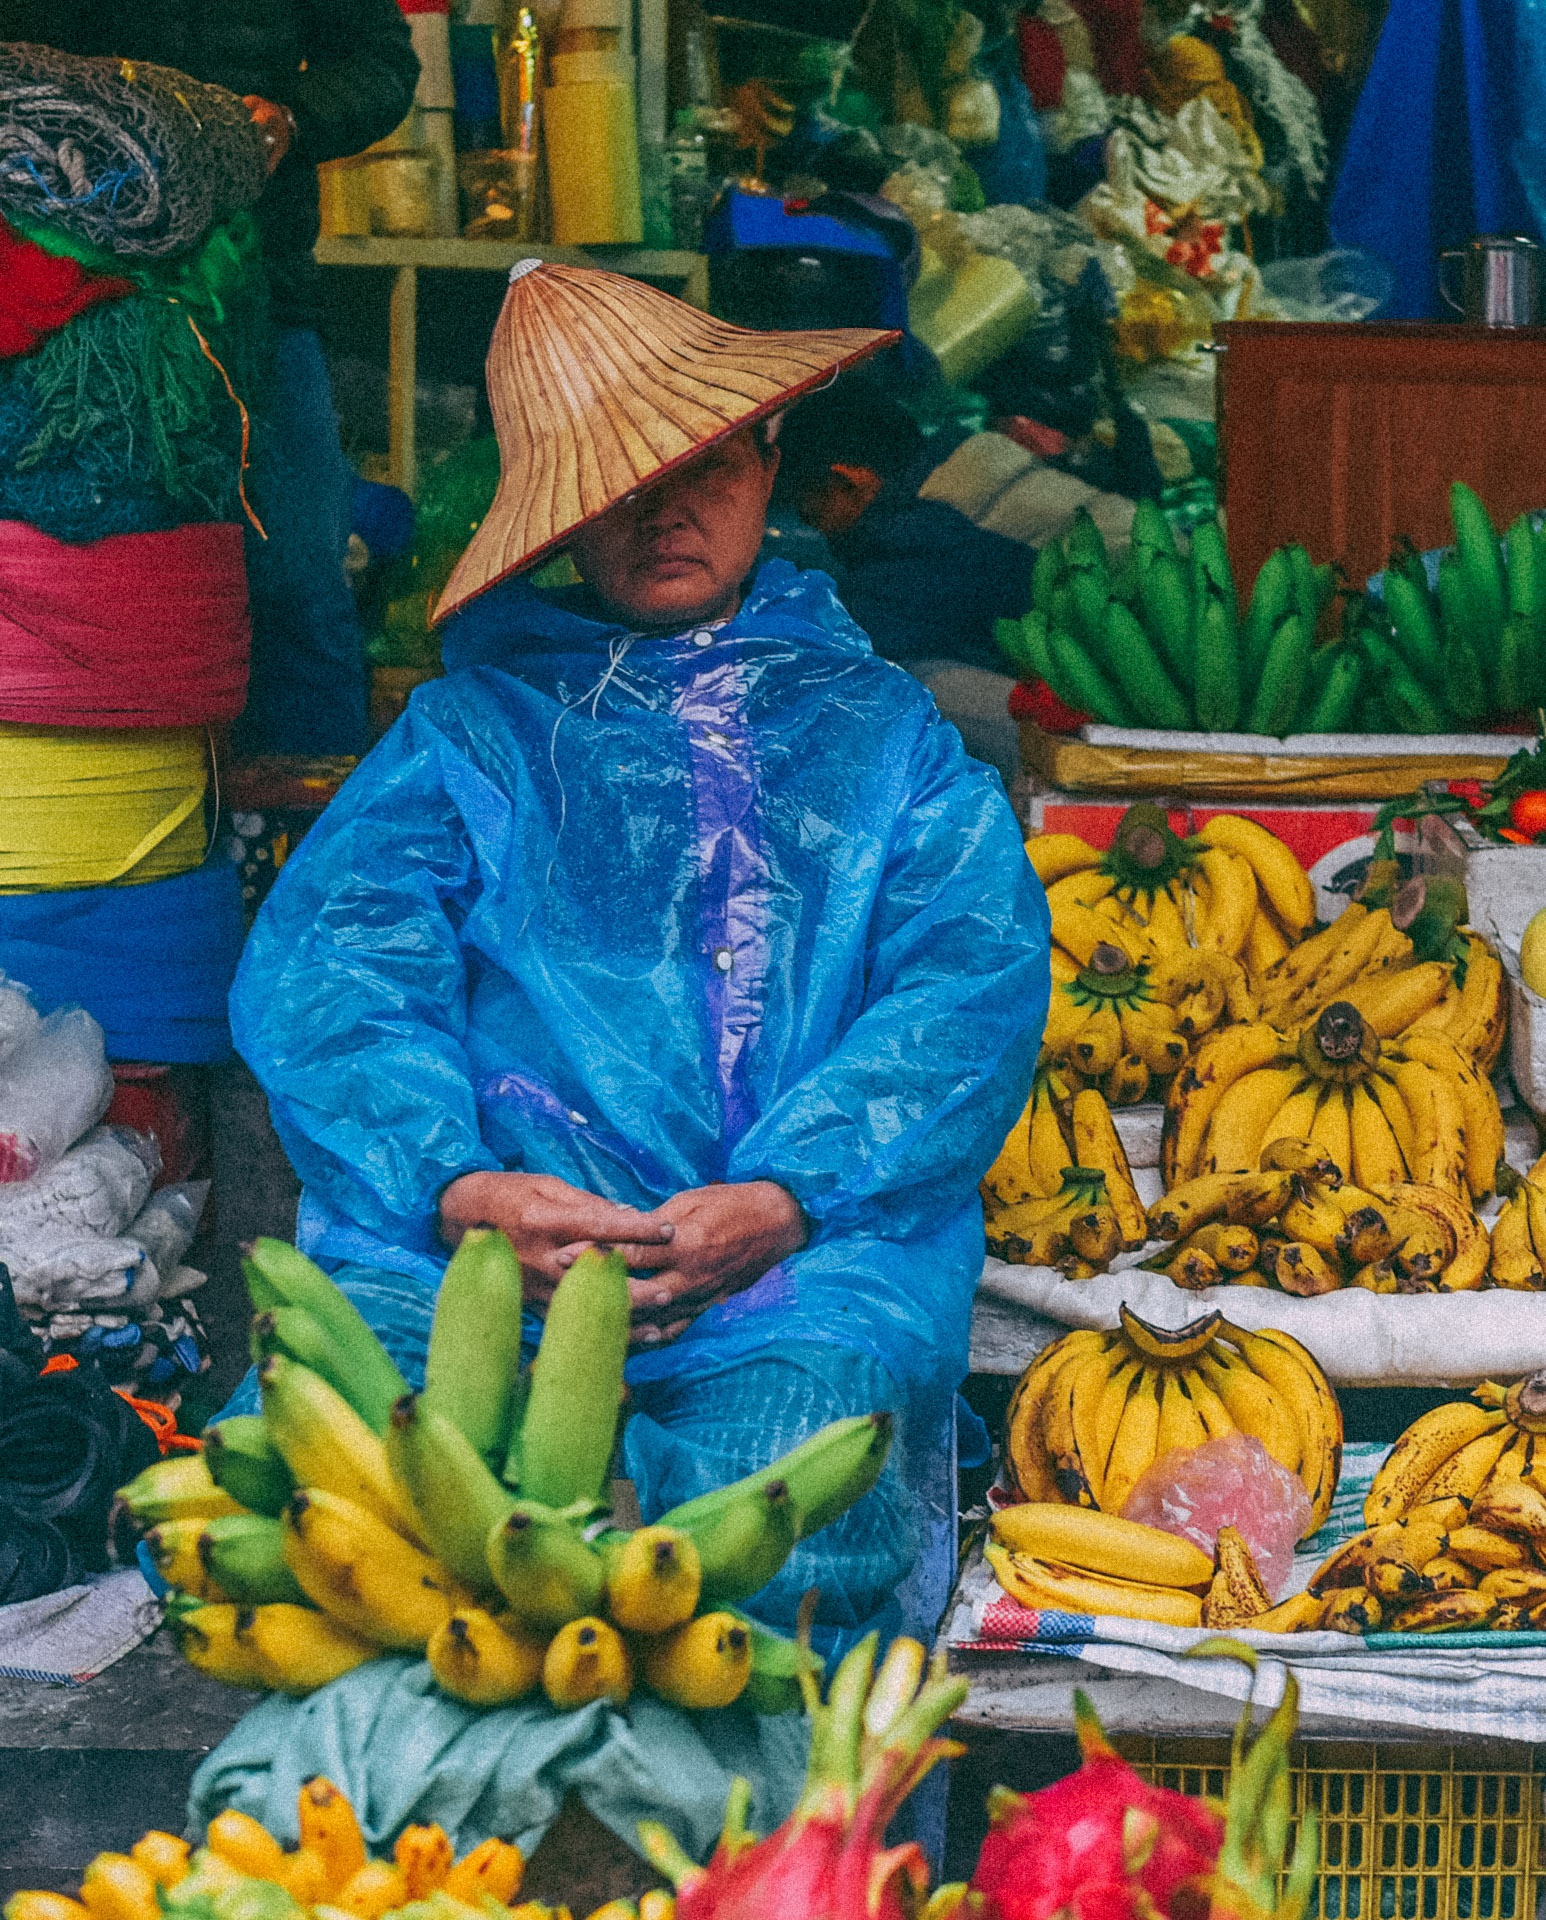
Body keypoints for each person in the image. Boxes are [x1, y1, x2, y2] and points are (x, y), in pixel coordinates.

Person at [225, 261, 1050, 1659]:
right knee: (338, 1480)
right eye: (614, 488)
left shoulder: (886, 736)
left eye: (704, 463)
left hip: (798, 1268)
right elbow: (340, 983)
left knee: (789, 1498)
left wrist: (789, 1195)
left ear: (768, 455)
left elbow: (963, 992)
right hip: (475, 1261)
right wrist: (460, 1191)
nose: (663, 511)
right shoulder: (466, 734)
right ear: (557, 523)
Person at [0, 0, 421, 755]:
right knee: (66, 584)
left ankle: (311, 847)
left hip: (255, 291)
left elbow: (382, 63)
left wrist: (294, 119)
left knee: (294, 579)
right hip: (55, 294)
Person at [775, 377, 1141, 786]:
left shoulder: (919, 531)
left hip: (1145, 682)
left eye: (811, 510)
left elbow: (867, 639)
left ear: (848, 481)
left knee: (897, 682)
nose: (815, 528)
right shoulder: (964, 457)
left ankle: (1039, 797)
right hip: (1131, 642)